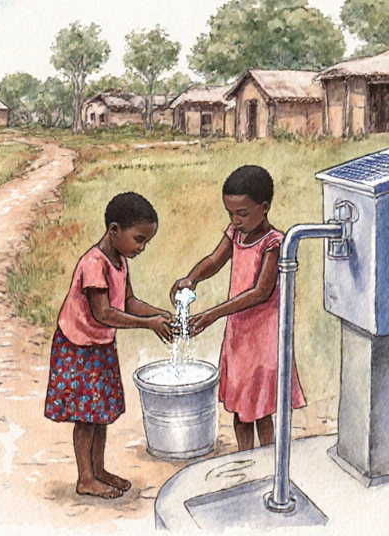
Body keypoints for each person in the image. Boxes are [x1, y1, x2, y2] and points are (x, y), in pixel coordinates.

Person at [44, 192, 174, 499]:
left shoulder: (119, 261)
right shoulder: (93, 264)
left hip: (98, 345)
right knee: (85, 417)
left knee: (100, 413)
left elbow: (128, 302)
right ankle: (85, 477)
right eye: (138, 239)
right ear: (114, 230)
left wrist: (160, 314)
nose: (141, 248)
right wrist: (148, 324)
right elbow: (102, 313)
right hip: (77, 347)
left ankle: (98, 469)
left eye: (146, 242)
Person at [170, 165, 305, 452]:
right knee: (240, 409)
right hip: (239, 335)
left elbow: (260, 292)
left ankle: (268, 463)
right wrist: (191, 278)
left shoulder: (274, 243)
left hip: (264, 337)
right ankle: (246, 458)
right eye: (231, 213)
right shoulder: (236, 233)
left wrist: (214, 313)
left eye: (242, 213)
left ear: (264, 207)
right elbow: (215, 260)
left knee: (261, 409)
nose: (236, 220)